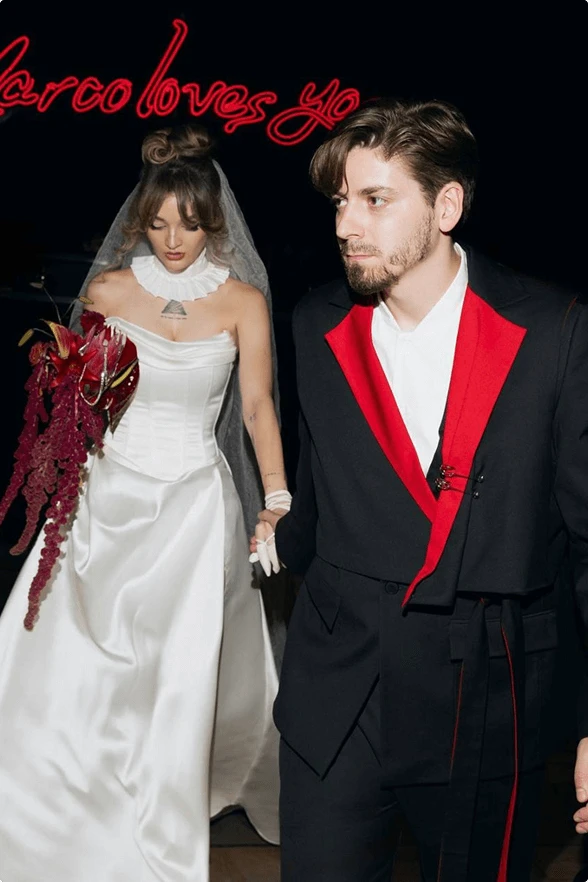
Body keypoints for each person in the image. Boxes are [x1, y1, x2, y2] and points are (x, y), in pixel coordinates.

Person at [254, 98, 588, 881]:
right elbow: (321, 487)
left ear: (446, 207)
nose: (346, 225)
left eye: (375, 200)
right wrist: (275, 532)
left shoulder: (553, 331)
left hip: (483, 697)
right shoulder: (316, 322)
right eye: (341, 201)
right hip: (338, 694)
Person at [0, 124, 289, 882]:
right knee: (83, 658)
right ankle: (60, 796)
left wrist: (276, 496)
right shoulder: (107, 292)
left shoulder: (243, 302)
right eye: (158, 224)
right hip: (107, 498)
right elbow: (80, 405)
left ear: (211, 220)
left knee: (175, 671)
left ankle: (161, 815)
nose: (173, 240)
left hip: (195, 504)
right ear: (141, 220)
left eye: (188, 224)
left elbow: (257, 406)